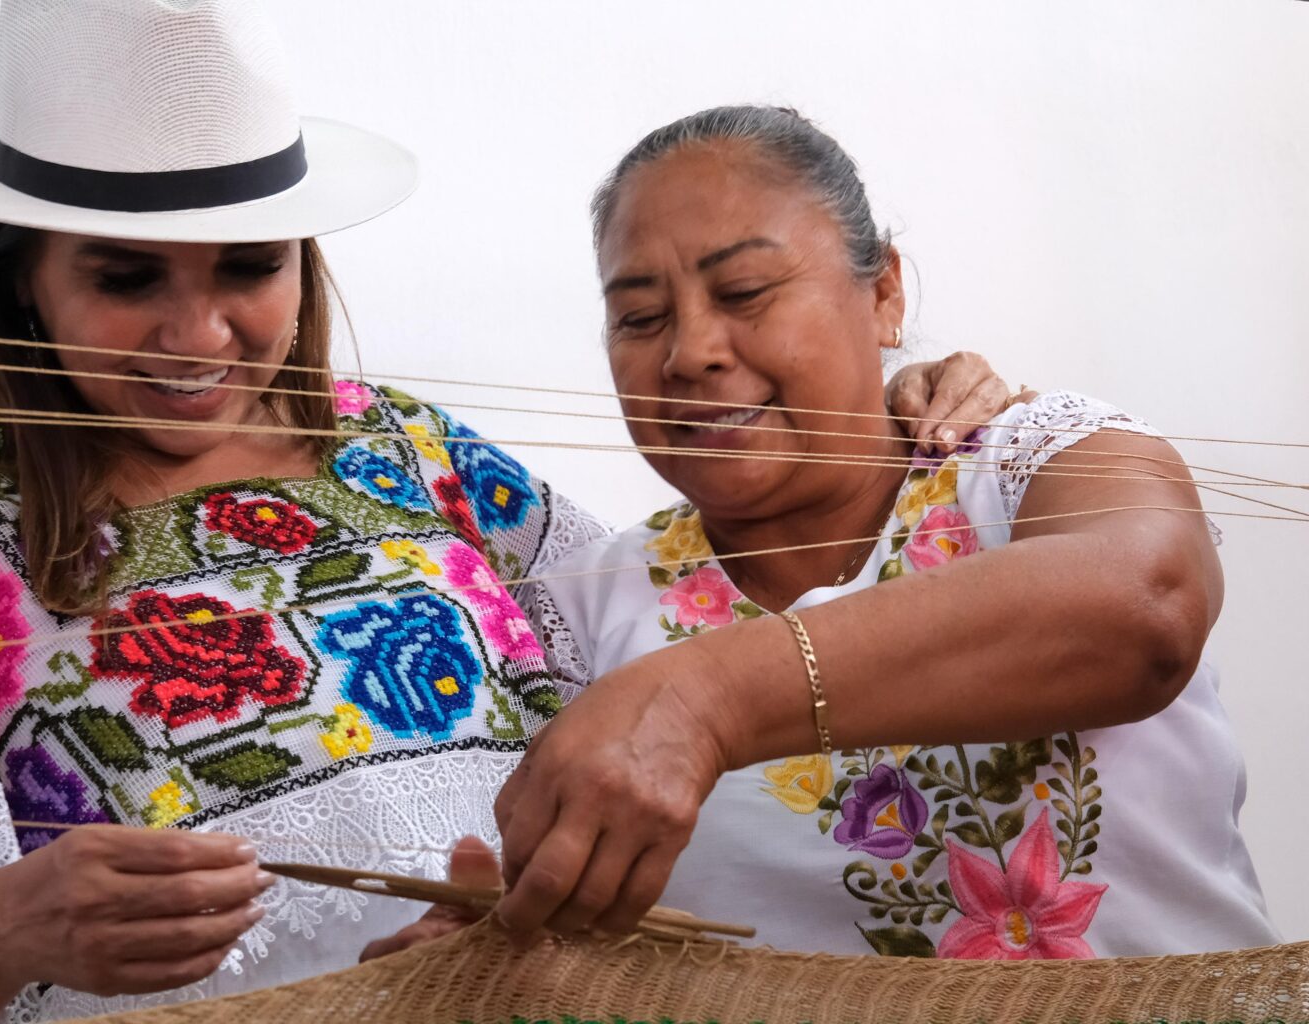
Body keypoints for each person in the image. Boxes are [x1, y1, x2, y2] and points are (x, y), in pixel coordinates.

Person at [0, 8, 1010, 1022]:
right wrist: (16, 922)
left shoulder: (410, 452)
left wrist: (918, 434)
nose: (199, 336)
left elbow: (679, 614)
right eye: (125, 275)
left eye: (252, 264)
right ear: (20, 275)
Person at [486, 106, 1279, 959]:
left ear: (884, 293)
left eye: (744, 292)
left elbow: (1147, 605)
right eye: (640, 318)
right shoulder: (585, 612)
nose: (691, 351)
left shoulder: (1027, 463)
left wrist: (705, 699)